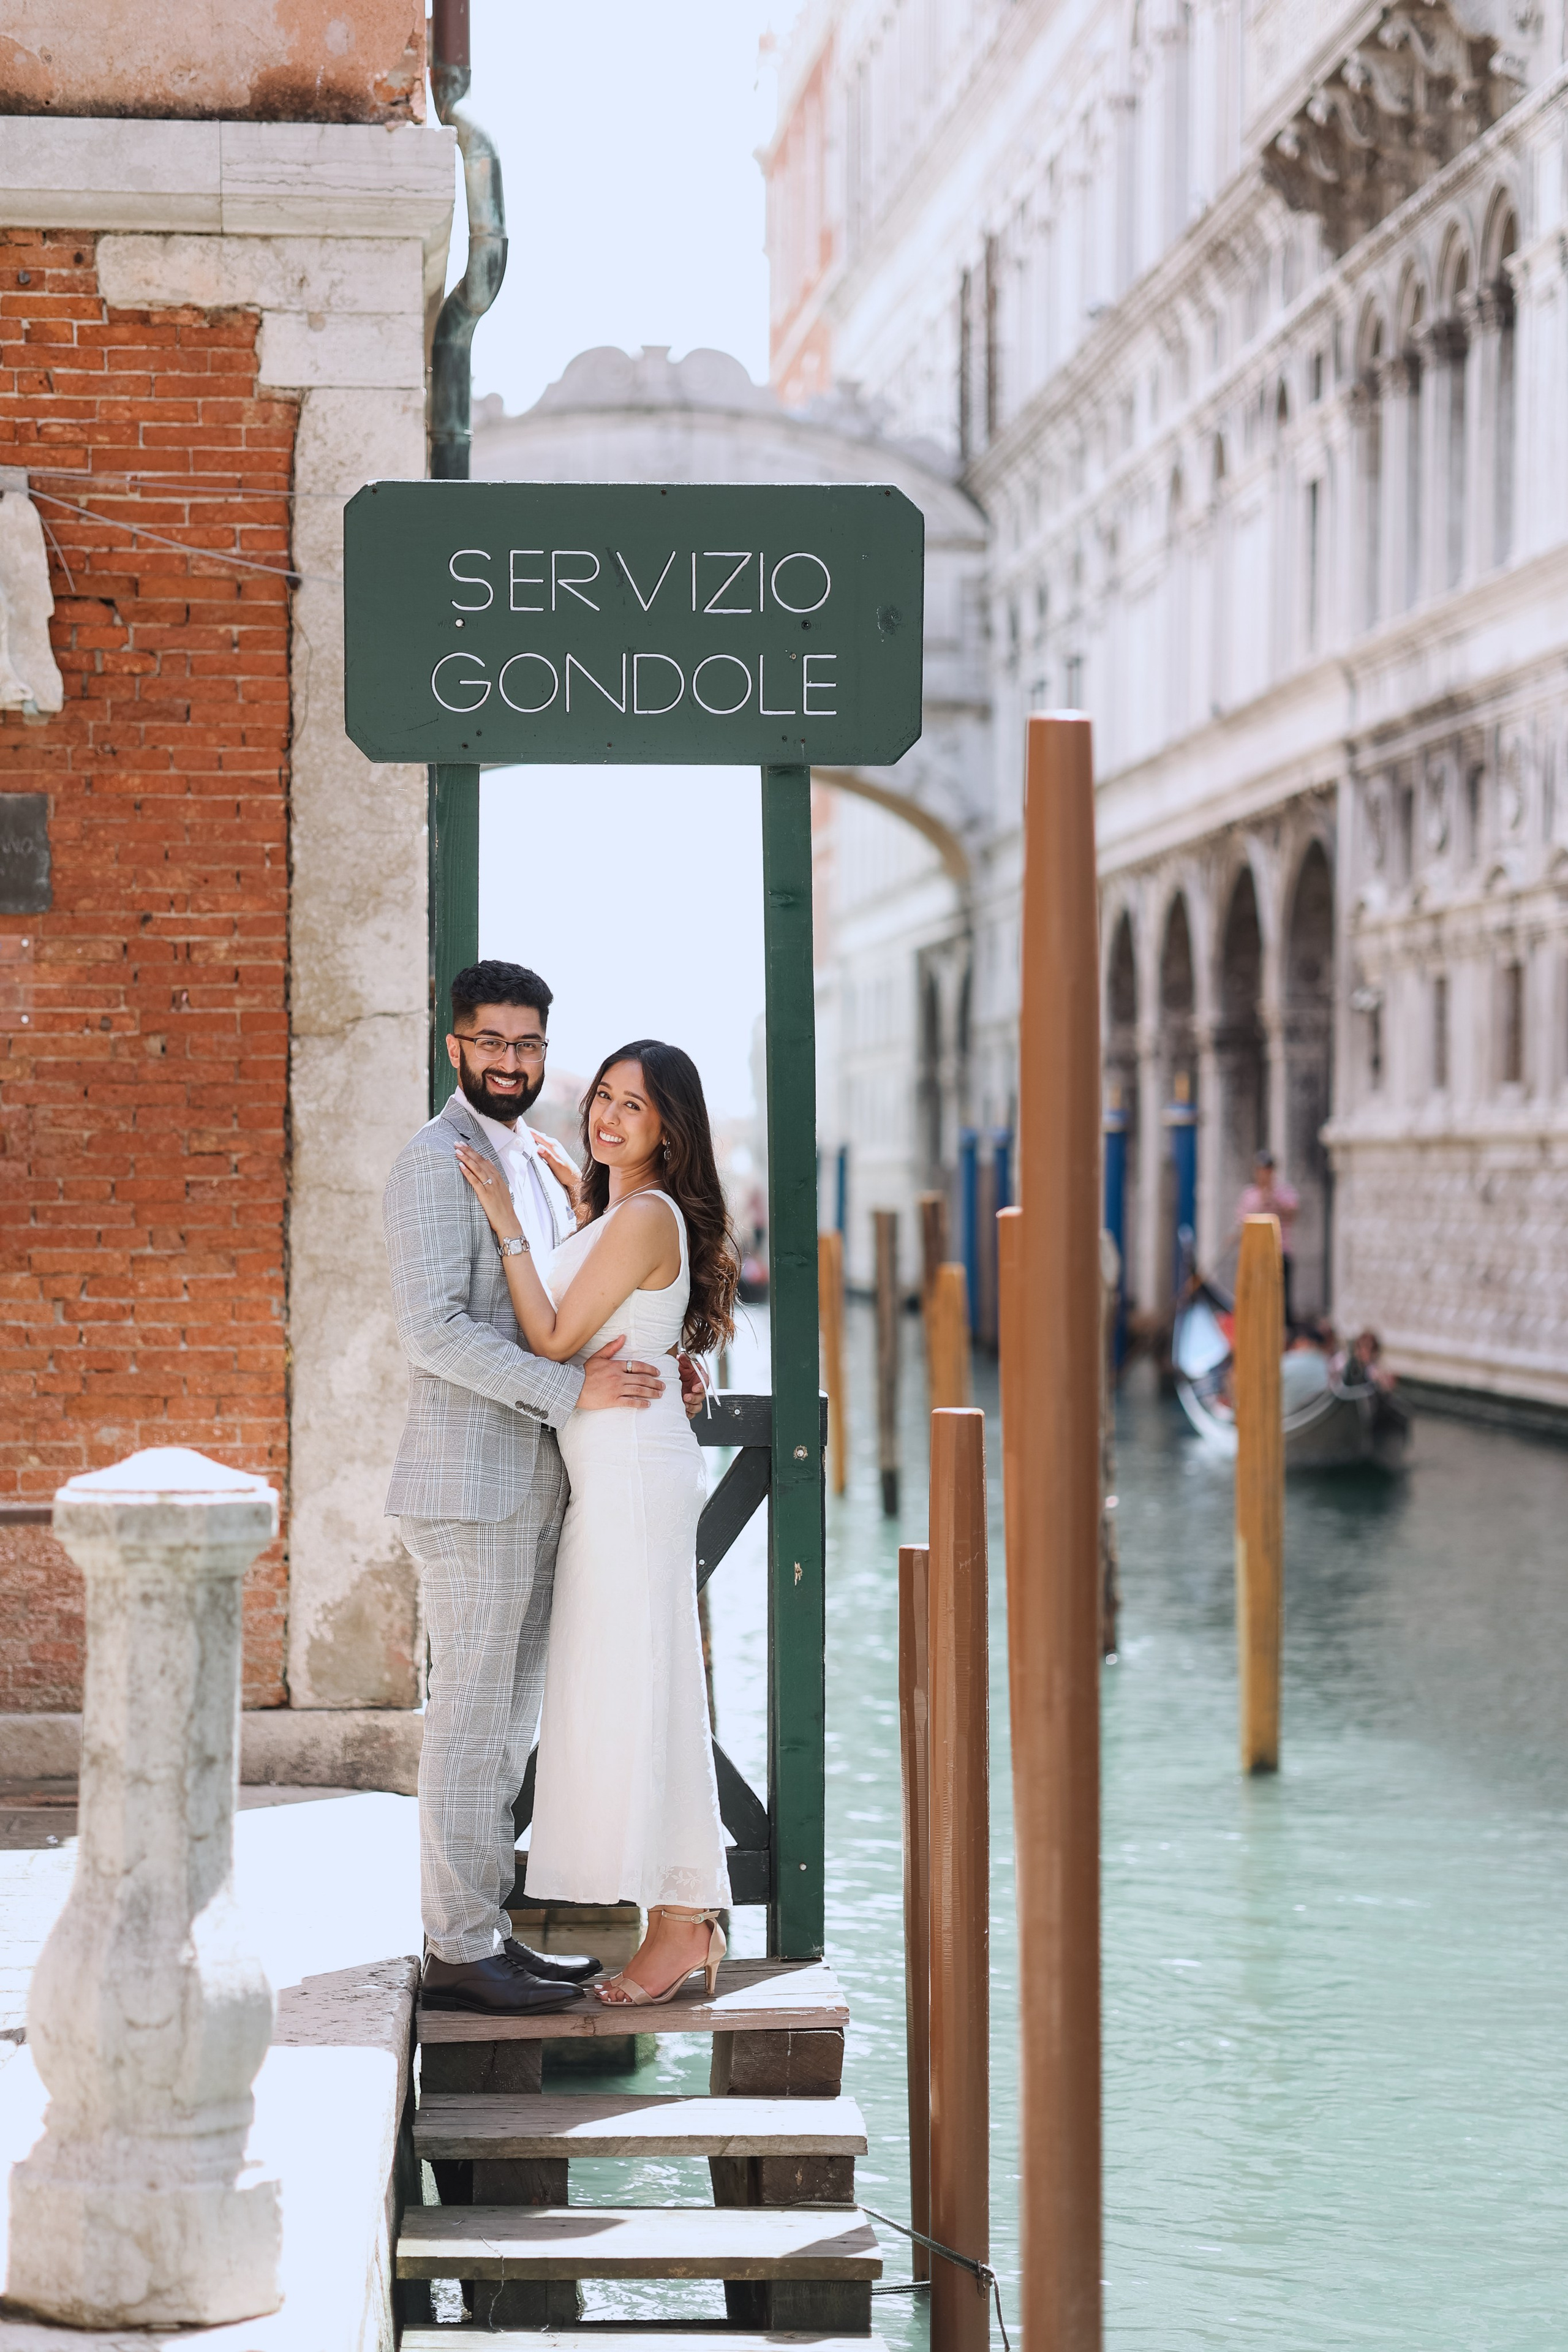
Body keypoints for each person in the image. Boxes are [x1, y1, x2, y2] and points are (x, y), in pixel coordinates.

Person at [383, 960, 699, 2019]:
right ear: (455, 1048)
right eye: (490, 1043)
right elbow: (434, 1332)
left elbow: (585, 1288)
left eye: (528, 1046)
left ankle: (486, 1933)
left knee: (507, 1725)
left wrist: (663, 1356)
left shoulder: (533, 1159)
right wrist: (574, 1389)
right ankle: (458, 1946)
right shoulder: (437, 1163)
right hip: (472, 1483)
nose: (510, 1061)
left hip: (543, 1486)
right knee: (472, 1723)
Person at [456, 1037, 739, 2008]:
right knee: (631, 1690)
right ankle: (680, 1920)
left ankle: (683, 1923)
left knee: (641, 1693)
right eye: (604, 1098)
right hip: (620, 1470)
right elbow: (624, 1321)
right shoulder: (623, 1210)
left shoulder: (646, 1215)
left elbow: (553, 1336)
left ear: (673, 1128)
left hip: (630, 1477)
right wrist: (559, 1190)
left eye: (635, 1107)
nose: (609, 1118)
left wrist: (507, 1224)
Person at [1236, 1148, 1300, 1329]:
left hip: (1280, 1252)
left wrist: (1274, 1200)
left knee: (1281, 1300)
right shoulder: (1249, 1195)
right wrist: (1261, 1202)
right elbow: (1243, 1223)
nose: (1265, 1174)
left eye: (1268, 1170)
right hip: (1256, 1255)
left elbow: (1293, 1214)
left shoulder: (1285, 1192)